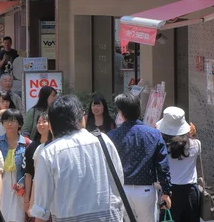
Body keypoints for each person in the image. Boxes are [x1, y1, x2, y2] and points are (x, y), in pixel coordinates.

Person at [30, 95, 125, 222]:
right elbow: (118, 181)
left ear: (52, 125)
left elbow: (41, 208)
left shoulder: (50, 153)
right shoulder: (103, 140)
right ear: (80, 116)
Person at [108, 93, 172, 222]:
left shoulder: (112, 136)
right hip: (146, 190)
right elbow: (162, 165)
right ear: (139, 109)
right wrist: (166, 191)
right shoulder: (154, 134)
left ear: (121, 113)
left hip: (121, 190)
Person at [156, 107, 201, 222]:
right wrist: (191, 135)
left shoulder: (161, 147)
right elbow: (185, 143)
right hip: (190, 192)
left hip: (168, 192)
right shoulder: (196, 144)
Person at [0, 109, 28, 222]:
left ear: (20, 124)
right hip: (0, 183)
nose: (9, 124)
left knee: (18, 217)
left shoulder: (27, 144)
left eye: (13, 121)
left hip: (19, 186)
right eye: (6, 120)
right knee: (1, 215)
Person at [23, 112, 51, 216]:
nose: (41, 124)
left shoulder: (56, 144)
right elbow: (29, 175)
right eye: (39, 122)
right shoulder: (32, 147)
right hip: (37, 193)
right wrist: (27, 200)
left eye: (44, 121)